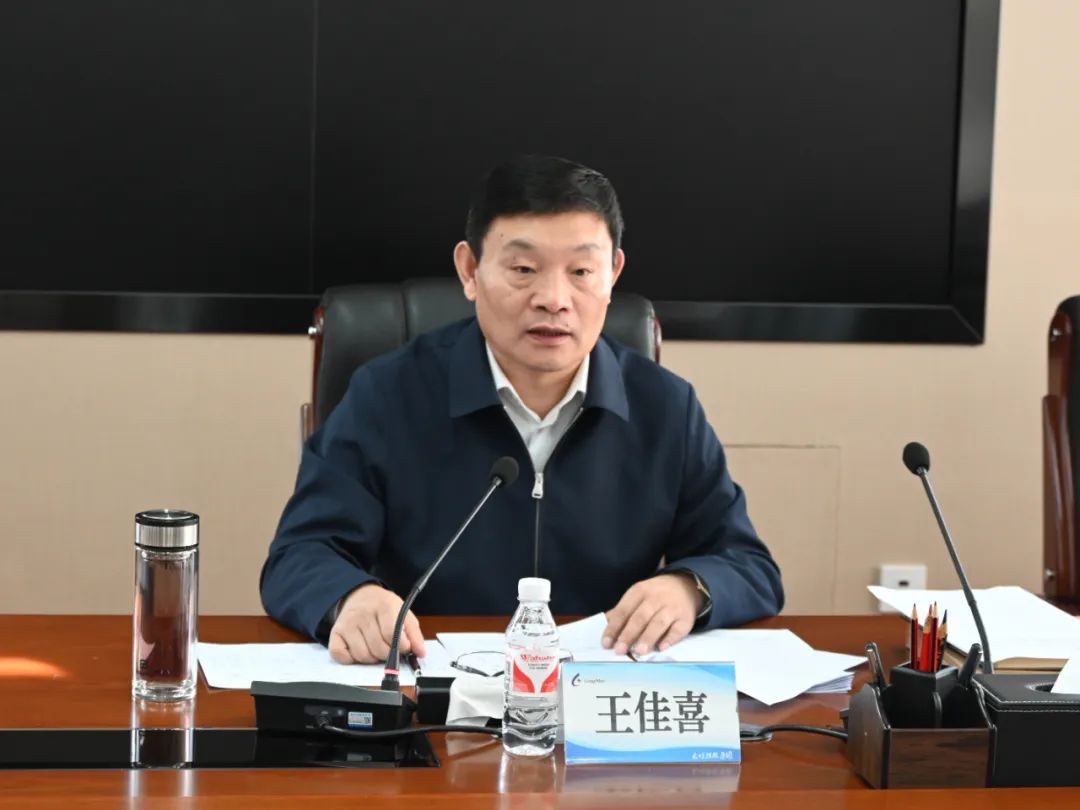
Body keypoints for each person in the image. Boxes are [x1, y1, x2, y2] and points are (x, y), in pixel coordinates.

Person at [260, 154, 784, 665]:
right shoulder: (387, 395)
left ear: (613, 274)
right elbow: (300, 554)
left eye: (582, 271)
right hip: (434, 688)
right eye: (524, 269)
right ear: (470, 270)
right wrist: (351, 597)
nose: (554, 298)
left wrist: (690, 588)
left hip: (596, 691)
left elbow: (747, 564)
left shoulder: (664, 406)